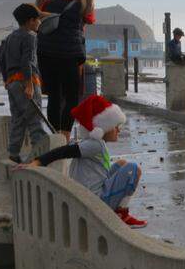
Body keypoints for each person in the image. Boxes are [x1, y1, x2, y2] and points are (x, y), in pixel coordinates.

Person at [16, 95, 147, 228]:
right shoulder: (95, 145)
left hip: (92, 195)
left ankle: (118, 211)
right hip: (95, 201)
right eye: (115, 126)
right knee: (133, 169)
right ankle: (121, 213)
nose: (119, 130)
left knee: (122, 164)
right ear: (102, 128)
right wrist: (38, 162)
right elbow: (64, 151)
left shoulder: (94, 142)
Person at [37, 0, 95, 140]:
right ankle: (65, 136)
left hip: (45, 53)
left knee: (54, 96)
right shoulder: (80, 1)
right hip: (69, 55)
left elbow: (41, 17)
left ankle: (55, 136)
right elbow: (90, 19)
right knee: (71, 97)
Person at [2, 4, 49, 163]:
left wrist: (6, 81)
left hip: (12, 83)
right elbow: (27, 61)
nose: (39, 23)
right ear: (30, 21)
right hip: (26, 82)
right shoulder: (30, 36)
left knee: (18, 119)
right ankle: (41, 157)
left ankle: (14, 154)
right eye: (38, 20)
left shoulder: (10, 37)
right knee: (35, 119)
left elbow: (2, 60)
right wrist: (29, 85)